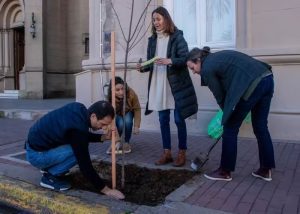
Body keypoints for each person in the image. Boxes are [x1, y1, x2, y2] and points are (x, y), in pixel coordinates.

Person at [187, 46, 275, 182]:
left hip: (253, 84)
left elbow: (220, 96)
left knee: (230, 128)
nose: (193, 72)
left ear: (198, 60)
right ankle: (265, 169)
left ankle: (224, 172)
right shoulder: (215, 59)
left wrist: (227, 114)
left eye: (192, 68)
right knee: (261, 126)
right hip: (267, 78)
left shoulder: (207, 69)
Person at [25, 101, 125, 199]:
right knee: (76, 152)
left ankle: (49, 168)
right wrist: (106, 190)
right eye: (103, 124)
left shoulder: (79, 108)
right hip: (36, 155)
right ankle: (50, 177)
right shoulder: (78, 130)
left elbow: (78, 135)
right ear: (93, 116)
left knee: (78, 146)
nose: (103, 128)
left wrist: (102, 137)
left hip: (35, 147)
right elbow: (85, 166)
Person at [137, 6, 198, 167]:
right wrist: (143, 66)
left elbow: (185, 58)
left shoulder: (177, 36)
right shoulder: (152, 40)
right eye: (153, 20)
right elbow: (151, 62)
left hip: (176, 84)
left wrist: (169, 60)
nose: (155, 22)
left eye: (158, 19)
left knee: (178, 119)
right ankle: (167, 153)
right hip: (159, 83)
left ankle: (182, 153)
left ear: (166, 19)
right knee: (163, 119)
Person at [106, 76, 141, 154]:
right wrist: (116, 140)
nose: (121, 92)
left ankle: (126, 142)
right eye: (117, 90)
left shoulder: (131, 93)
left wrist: (136, 126)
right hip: (116, 115)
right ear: (112, 90)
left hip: (128, 111)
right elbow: (110, 120)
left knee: (128, 121)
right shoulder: (110, 100)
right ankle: (115, 143)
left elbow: (137, 109)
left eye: (122, 89)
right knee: (121, 124)